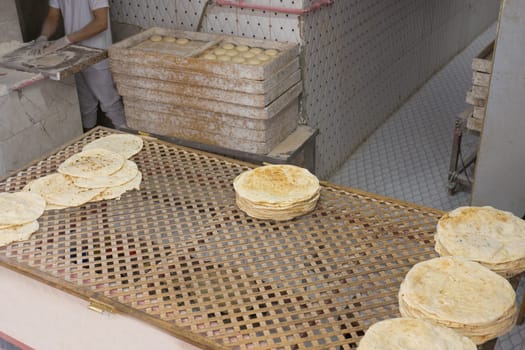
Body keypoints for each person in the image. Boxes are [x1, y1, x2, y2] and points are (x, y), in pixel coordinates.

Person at [30, 0, 126, 131]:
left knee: (110, 103)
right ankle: (89, 141)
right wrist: (43, 37)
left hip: (97, 53)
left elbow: (101, 23)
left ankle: (130, 140)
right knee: (86, 104)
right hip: (75, 55)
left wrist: (67, 39)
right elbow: (53, 16)